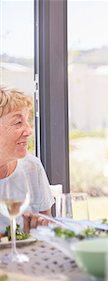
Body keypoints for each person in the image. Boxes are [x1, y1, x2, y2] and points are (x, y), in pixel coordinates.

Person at [0, 87, 53, 233]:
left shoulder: (31, 167)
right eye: (18, 123)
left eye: (27, 121)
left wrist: (39, 229)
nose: (29, 131)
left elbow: (48, 225)